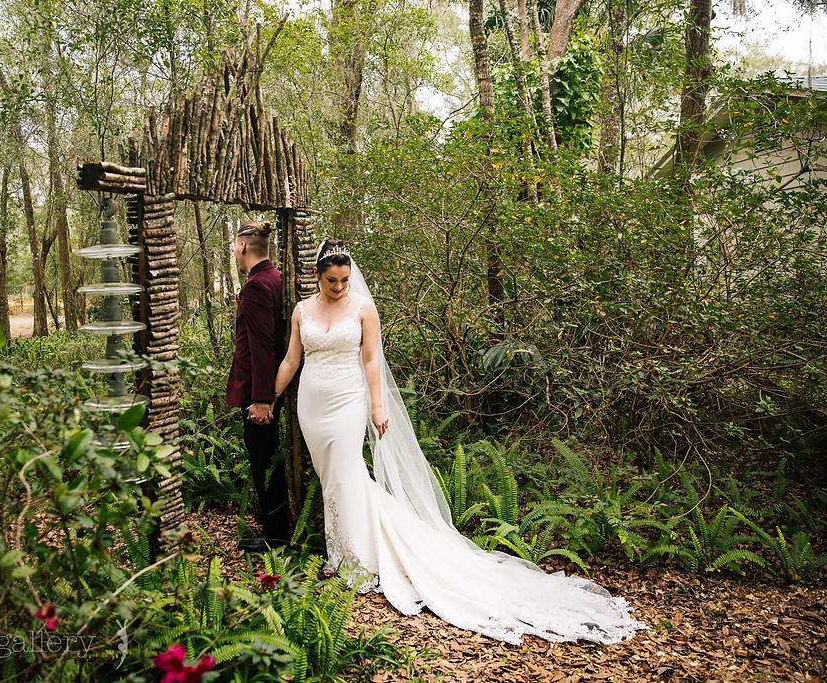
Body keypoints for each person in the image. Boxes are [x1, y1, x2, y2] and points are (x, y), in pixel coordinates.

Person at [271, 238, 647, 644]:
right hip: (311, 403)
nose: (340, 287)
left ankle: (353, 561)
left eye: (345, 280)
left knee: (347, 473)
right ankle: (344, 550)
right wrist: (269, 397)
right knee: (332, 479)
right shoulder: (302, 310)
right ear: (317, 276)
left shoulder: (363, 308)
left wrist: (377, 406)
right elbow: (293, 359)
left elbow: (370, 359)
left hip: (348, 400)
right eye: (332, 281)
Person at [226, 220, 292, 552]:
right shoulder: (278, 278)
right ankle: (280, 524)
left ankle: (276, 534)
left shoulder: (254, 287)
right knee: (271, 459)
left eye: (233, 247)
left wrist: (262, 399)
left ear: (242, 247)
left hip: (260, 392)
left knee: (263, 460)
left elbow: (263, 345)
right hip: (280, 384)